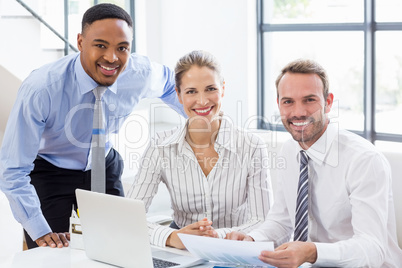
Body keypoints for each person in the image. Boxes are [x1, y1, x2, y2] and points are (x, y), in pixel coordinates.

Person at [0, 3, 184, 249]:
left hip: (104, 164)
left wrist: (202, 121)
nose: (111, 58)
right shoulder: (41, 89)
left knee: (121, 248)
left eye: (122, 48)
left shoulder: (140, 73)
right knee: (57, 256)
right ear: (80, 42)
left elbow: (176, 86)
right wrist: (38, 229)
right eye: (100, 45)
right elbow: (12, 170)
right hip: (52, 171)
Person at [226, 59, 402, 267]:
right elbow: (281, 221)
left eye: (309, 100)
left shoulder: (364, 160)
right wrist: (252, 240)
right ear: (279, 104)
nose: (298, 112)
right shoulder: (290, 149)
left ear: (328, 102)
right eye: (288, 101)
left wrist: (313, 251)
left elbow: (373, 249)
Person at [129, 50, 273, 249]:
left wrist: (217, 236)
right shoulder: (160, 146)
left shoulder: (252, 146)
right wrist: (172, 237)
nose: (203, 101)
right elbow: (130, 216)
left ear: (222, 89)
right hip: (180, 248)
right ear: (178, 95)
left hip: (234, 246)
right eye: (191, 92)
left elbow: (263, 220)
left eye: (210, 89)